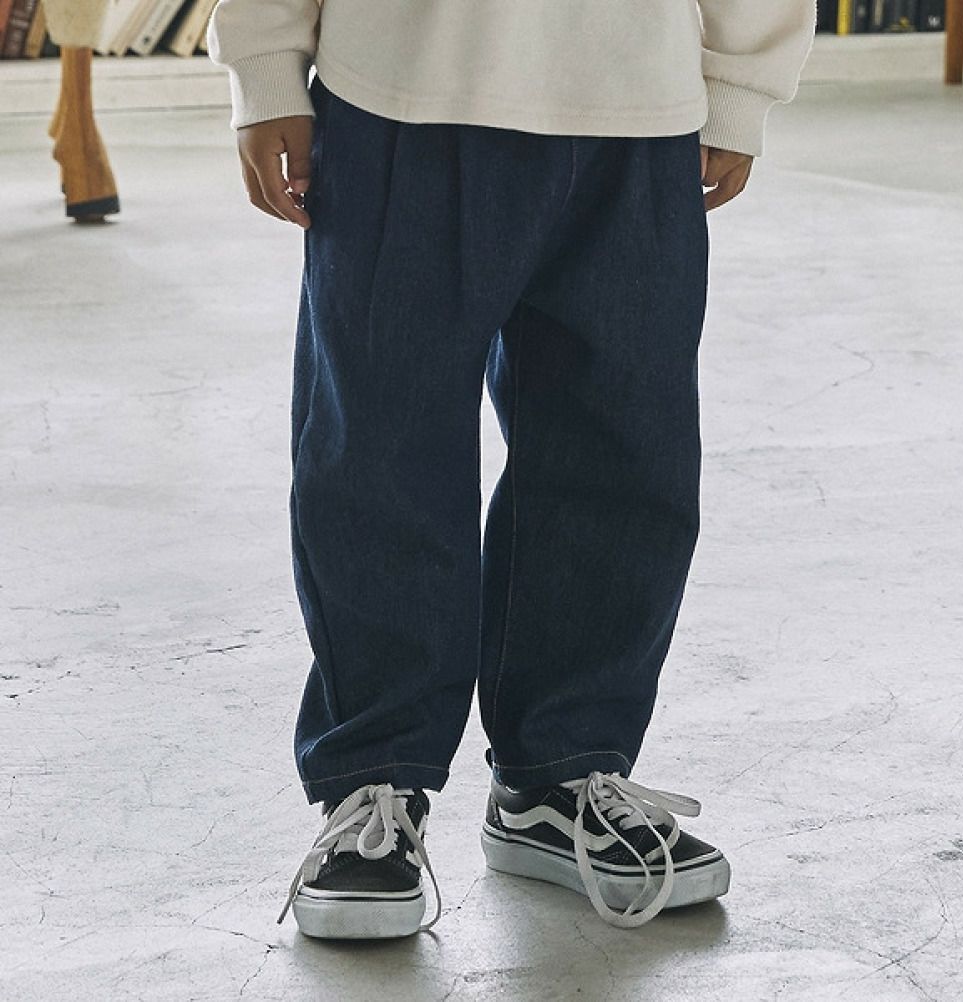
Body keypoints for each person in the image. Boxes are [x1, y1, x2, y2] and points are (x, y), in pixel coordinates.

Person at [207, 0, 816, 937]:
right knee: (381, 449)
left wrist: (741, 80)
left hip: (638, 105)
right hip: (399, 90)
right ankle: (375, 779)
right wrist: (264, 64)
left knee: (621, 451)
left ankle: (557, 775)